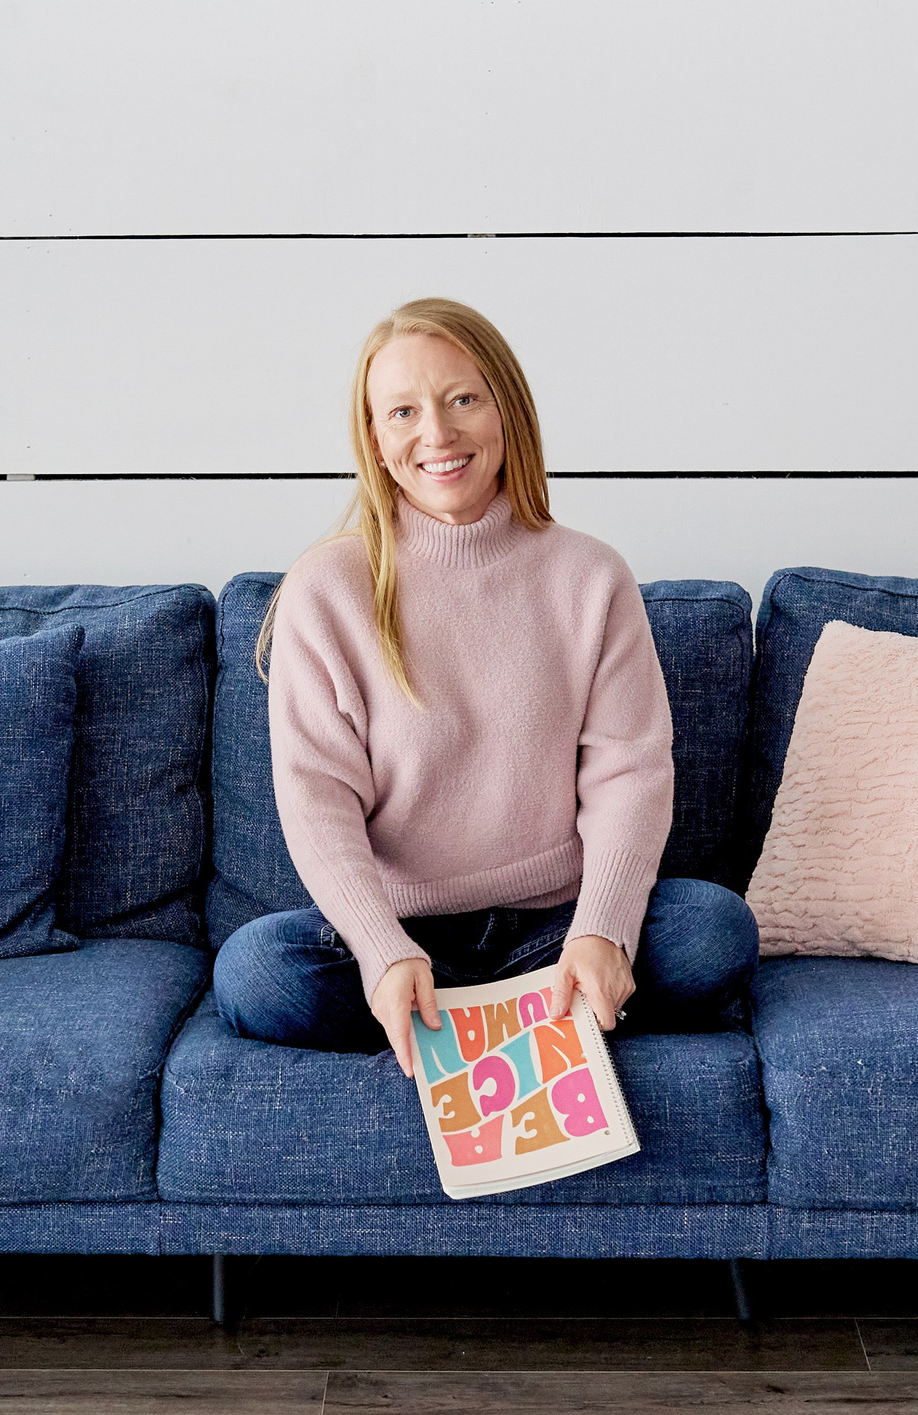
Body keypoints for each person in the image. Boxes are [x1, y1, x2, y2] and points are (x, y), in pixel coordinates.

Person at [213, 297, 759, 1079]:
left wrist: (601, 931)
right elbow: (317, 797)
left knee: (714, 931)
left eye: (462, 399)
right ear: (373, 438)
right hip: (406, 938)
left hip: (553, 927)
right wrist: (380, 951)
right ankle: (512, 1021)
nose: (436, 433)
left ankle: (509, 1016)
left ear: (507, 409)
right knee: (257, 973)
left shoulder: (590, 576)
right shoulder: (328, 587)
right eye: (402, 411)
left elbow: (630, 773)